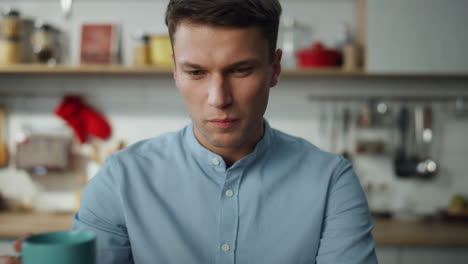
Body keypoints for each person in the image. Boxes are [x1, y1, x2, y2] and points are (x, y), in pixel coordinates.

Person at [0, 0, 377, 263]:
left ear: (274, 69)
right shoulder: (120, 179)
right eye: (196, 72)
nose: (219, 98)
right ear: (175, 71)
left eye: (240, 70)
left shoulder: (331, 183)